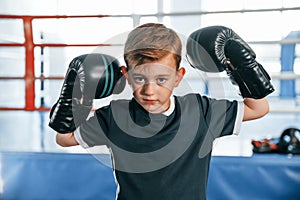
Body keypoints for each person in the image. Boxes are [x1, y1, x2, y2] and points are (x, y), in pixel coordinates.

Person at [52, 23, 273, 200]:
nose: (150, 90)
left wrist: (241, 64)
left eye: (161, 79)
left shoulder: (201, 110)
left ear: (178, 77)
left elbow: (259, 108)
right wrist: (75, 96)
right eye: (140, 79)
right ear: (126, 76)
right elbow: (64, 138)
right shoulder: (115, 116)